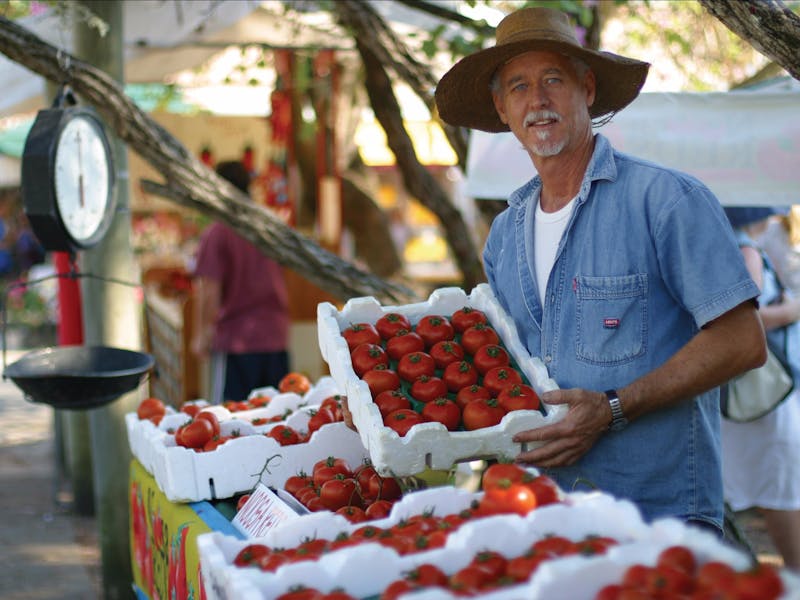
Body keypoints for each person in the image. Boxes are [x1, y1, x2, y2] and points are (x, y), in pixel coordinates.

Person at [434, 7, 765, 533]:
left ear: (586, 88)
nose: (537, 100)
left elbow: (743, 341)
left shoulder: (666, 200)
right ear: (501, 108)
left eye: (552, 80)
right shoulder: (505, 233)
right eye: (518, 87)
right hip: (546, 514)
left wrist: (615, 407)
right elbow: (513, 368)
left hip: (658, 516)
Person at [721, 206, 800, 570]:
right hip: (765, 395)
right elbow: (745, 316)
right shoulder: (746, 249)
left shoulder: (733, 246)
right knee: (781, 485)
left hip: (754, 391)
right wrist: (791, 311)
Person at [191, 160, 290, 403]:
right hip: (275, 336)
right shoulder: (268, 224)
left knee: (231, 422)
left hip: (237, 342)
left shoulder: (218, 231)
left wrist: (202, 334)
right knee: (279, 417)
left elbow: (209, 290)